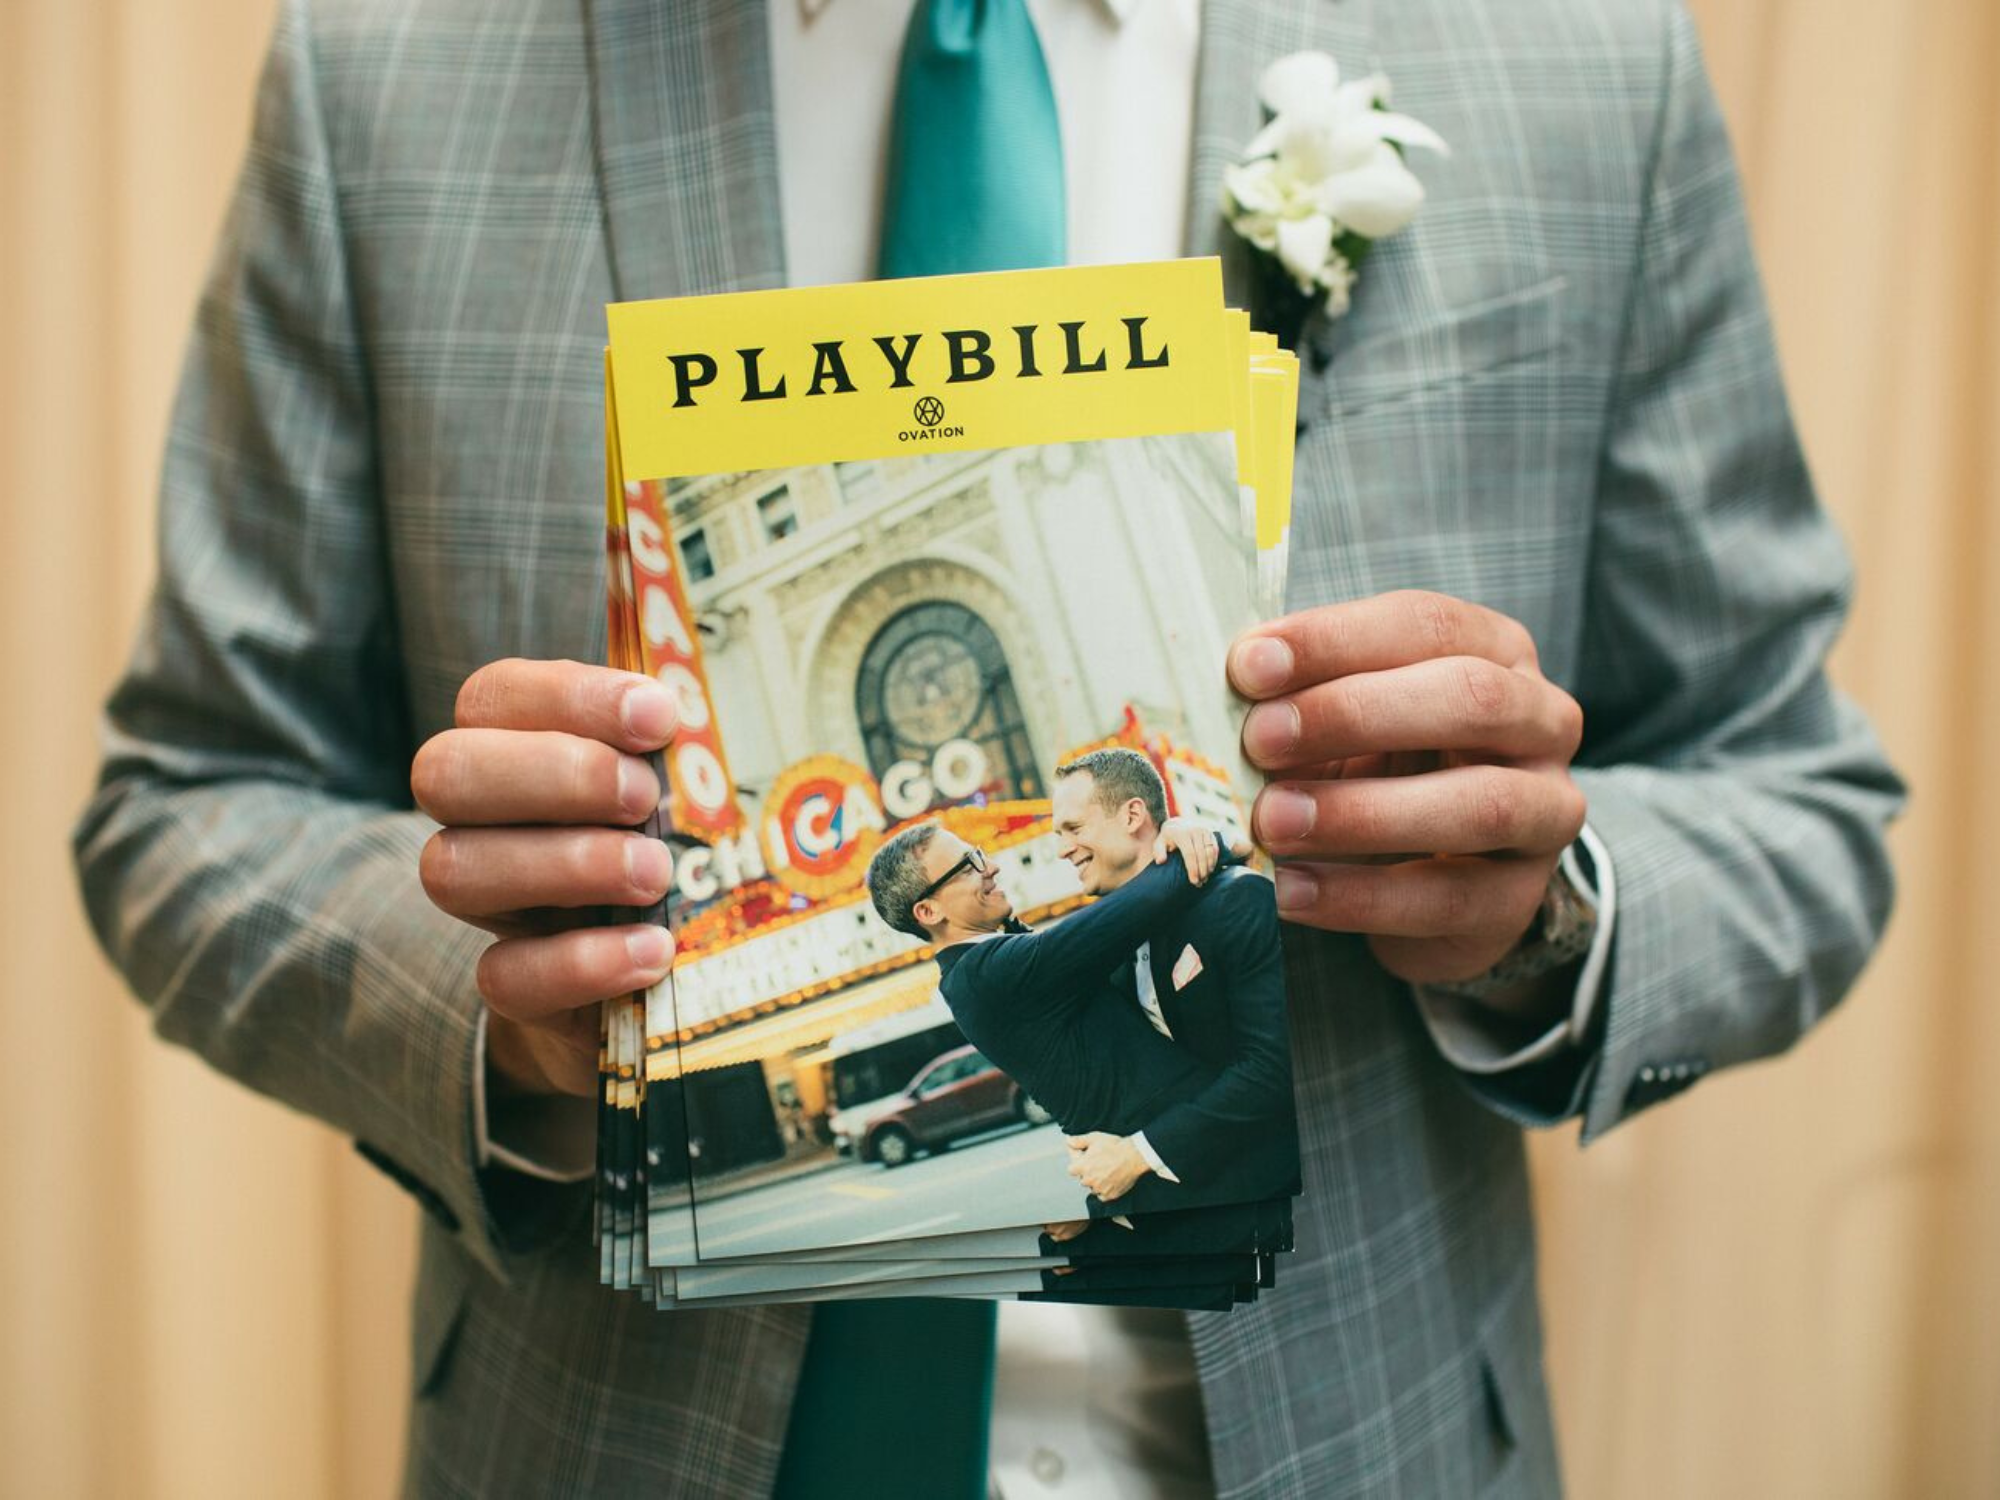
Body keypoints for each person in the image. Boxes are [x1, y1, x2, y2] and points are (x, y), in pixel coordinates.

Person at [71, 0, 1904, 1495]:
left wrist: (1549, 918)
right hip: (612, 1438)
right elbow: (183, 797)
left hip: (1362, 1431)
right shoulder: (382, 67)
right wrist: (492, 1007)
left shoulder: (1579, 55)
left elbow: (1802, 792)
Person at [863, 817, 1293, 1218]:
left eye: (979, 853)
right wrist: (1210, 837)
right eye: (968, 865)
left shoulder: (986, 968)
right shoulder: (988, 975)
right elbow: (1135, 907)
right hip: (1195, 1189)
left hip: (1189, 1173)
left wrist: (1185, 827)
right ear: (928, 913)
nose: (990, 865)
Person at [1045, 748, 1299, 1208]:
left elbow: (1276, 1068)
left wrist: (1139, 1154)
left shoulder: (1238, 901)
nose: (1061, 849)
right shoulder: (1110, 947)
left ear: (1132, 815)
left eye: (1074, 829)